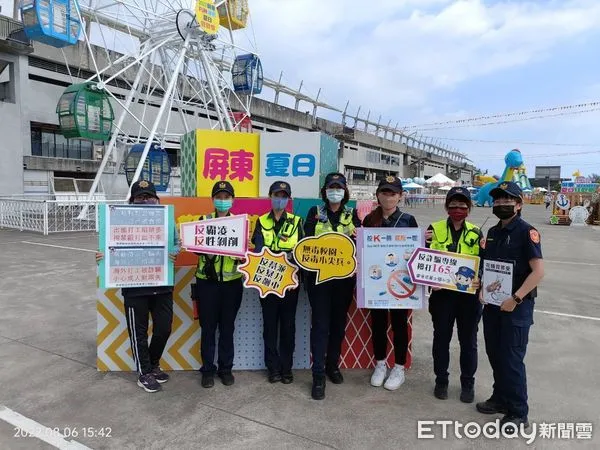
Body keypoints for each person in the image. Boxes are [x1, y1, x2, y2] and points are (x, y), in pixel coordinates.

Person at [96, 180, 180, 393]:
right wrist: (103, 257)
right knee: (138, 332)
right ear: (132, 201)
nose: (145, 201)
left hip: (162, 285)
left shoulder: (167, 220)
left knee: (164, 328)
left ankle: (152, 364)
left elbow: (176, 243)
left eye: (149, 197)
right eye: (140, 197)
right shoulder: (119, 222)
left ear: (157, 200)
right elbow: (109, 245)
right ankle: (144, 373)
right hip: (135, 287)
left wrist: (175, 252)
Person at [476, 182, 544, 431]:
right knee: (495, 354)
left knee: (512, 359)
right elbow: (487, 267)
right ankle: (501, 398)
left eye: (507, 200)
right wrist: (481, 286)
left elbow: (538, 272)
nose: (501, 204)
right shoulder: (492, 232)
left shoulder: (527, 232)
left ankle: (518, 411)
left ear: (519, 204)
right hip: (493, 306)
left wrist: (515, 299)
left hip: (517, 307)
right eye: (497, 200)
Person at [303, 172, 362, 400]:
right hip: (319, 281)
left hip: (344, 281)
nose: (334, 190)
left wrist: (359, 235)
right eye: (331, 187)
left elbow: (361, 246)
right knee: (320, 326)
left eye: (339, 187)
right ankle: (318, 375)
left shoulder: (352, 215)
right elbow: (305, 243)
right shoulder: (314, 213)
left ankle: (332, 365)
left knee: (338, 325)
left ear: (345, 191)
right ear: (325, 191)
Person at [424, 187, 484, 403]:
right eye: (453, 205)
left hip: (469, 298)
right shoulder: (433, 228)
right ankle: (441, 380)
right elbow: (422, 260)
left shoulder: (477, 232)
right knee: (441, 339)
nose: (457, 209)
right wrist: (424, 242)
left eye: (462, 205)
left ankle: (468, 383)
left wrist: (481, 280)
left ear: (469, 207)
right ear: (446, 206)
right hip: (442, 297)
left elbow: (484, 262)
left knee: (468, 341)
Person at [362, 176, 418, 391]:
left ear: (400, 196)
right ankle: (380, 364)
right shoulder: (369, 220)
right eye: (384, 192)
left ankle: (399, 367)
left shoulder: (408, 220)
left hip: (400, 284)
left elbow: (416, 252)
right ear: (377, 195)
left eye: (393, 193)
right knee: (378, 324)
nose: (388, 197)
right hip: (376, 283)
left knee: (399, 325)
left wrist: (425, 241)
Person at [251, 181, 304, 384]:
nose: (279, 198)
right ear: (270, 196)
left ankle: (286, 368)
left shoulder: (296, 221)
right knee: (270, 327)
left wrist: (290, 258)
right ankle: (272, 368)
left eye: (284, 195)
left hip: (290, 283)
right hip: (267, 282)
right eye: (276, 194)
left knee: (288, 327)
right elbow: (258, 250)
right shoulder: (261, 221)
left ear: (288, 199)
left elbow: (302, 252)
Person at [194, 181, 245, 389]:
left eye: (226, 197)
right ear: (213, 199)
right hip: (207, 283)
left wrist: (243, 257)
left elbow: (244, 254)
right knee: (207, 328)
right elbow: (195, 248)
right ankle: (207, 370)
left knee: (227, 328)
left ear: (232, 200)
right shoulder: (203, 221)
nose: (223, 201)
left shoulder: (240, 223)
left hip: (232, 284)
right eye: (219, 197)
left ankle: (226, 369)